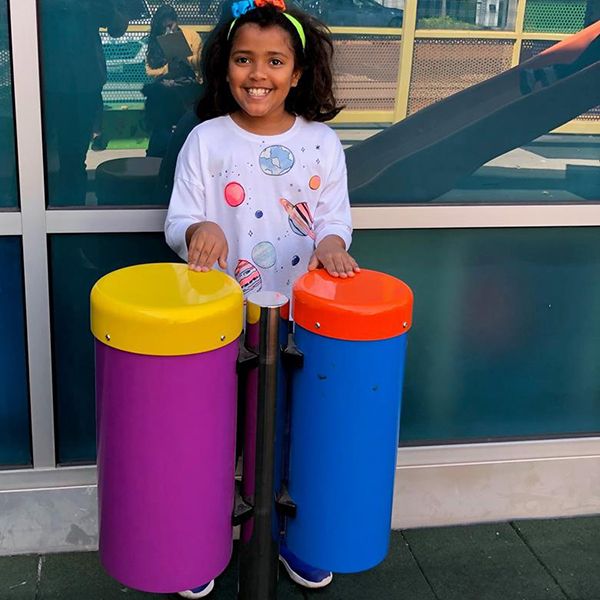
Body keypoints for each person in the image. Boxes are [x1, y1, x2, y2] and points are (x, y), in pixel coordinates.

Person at [165, 1, 359, 597]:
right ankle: (206, 541)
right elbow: (180, 220)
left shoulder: (322, 143)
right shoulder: (206, 140)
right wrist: (200, 231)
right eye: (245, 59)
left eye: (275, 61)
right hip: (223, 323)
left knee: (295, 437)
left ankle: (293, 540)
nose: (259, 74)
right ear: (226, 68)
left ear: (297, 73)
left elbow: (335, 220)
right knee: (216, 439)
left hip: (301, 324)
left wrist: (330, 245)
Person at [40, 0, 129, 205]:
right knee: (48, 155)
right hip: (46, 81)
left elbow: (118, 27)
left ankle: (69, 213)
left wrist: (103, 9)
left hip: (82, 81)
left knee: (74, 156)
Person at [143, 4, 203, 157]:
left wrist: (185, 59)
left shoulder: (191, 36)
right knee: (161, 118)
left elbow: (201, 61)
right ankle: (157, 154)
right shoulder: (155, 41)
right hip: (165, 88)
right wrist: (168, 69)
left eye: (170, 25)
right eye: (164, 28)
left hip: (187, 85)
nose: (168, 30)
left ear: (176, 21)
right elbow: (150, 70)